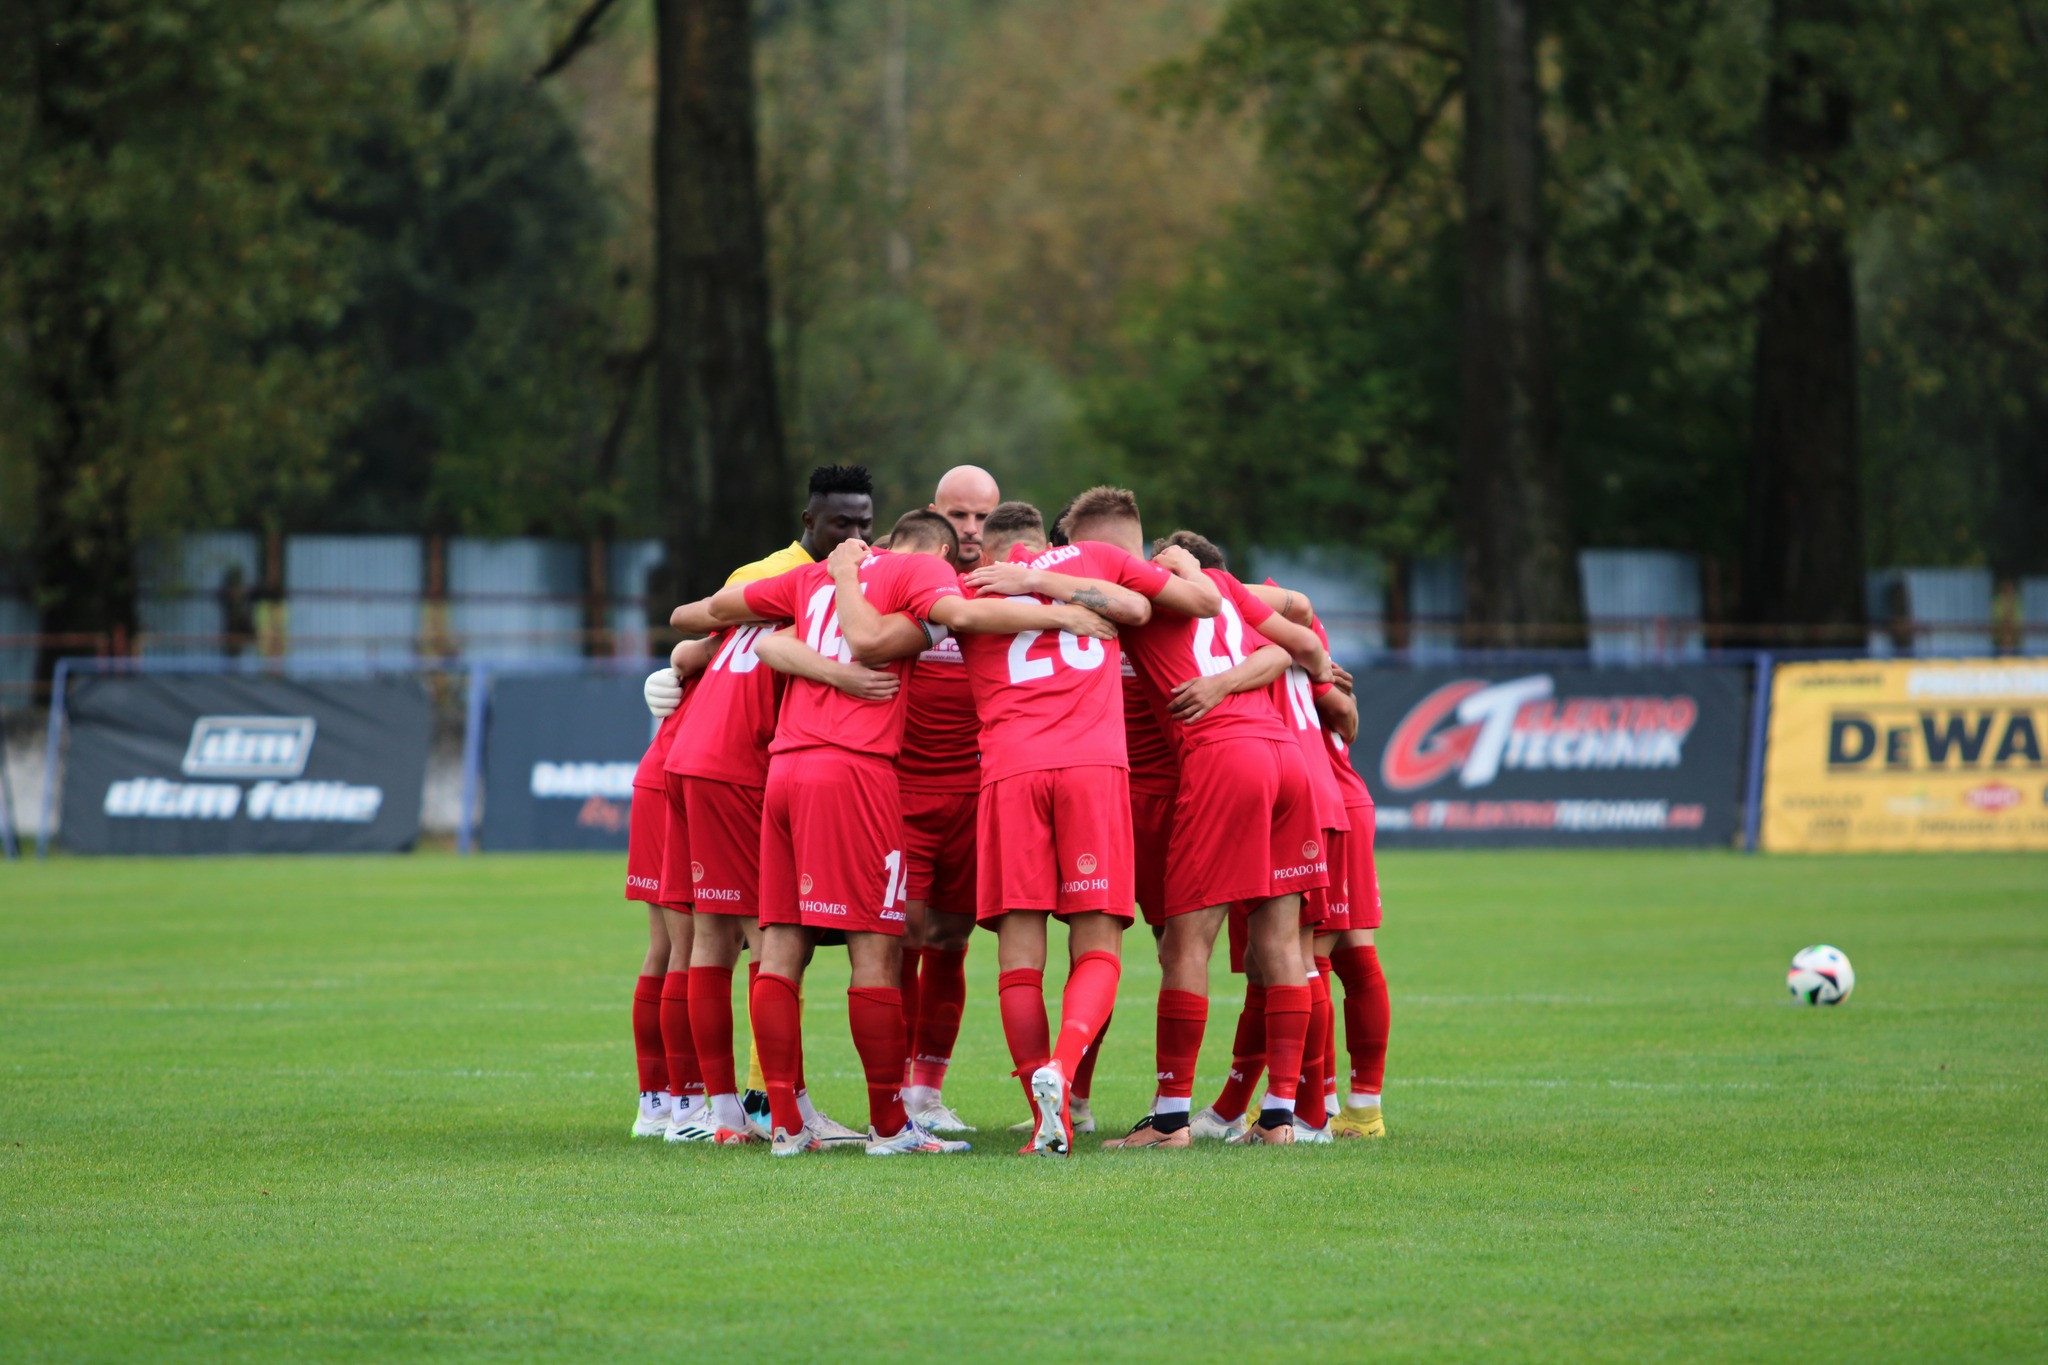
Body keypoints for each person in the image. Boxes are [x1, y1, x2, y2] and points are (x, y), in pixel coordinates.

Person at [690, 510, 1117, 1155]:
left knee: (778, 949)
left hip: (786, 769)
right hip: (854, 770)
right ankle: (890, 1128)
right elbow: (941, 620)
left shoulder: (816, 577)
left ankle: (784, 1125)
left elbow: (720, 617)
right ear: (939, 552)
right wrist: (1066, 616)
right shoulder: (919, 574)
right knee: (876, 952)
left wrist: (698, 643)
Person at [1054, 493, 1333, 1149]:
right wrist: (1239, 675)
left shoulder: (1135, 593)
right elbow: (1294, 644)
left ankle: (1170, 1119)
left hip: (1222, 757)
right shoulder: (1219, 583)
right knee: (1281, 944)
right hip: (1285, 757)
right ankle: (1279, 1117)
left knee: (1185, 944)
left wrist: (1023, 577)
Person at [954, 502, 1217, 1154]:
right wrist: (1061, 597)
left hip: (1011, 771)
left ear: (990, 548)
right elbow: (1154, 608)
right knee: (1097, 948)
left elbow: (918, 625)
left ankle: (1049, 1119)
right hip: (1093, 769)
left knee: (1019, 959)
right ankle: (1064, 1069)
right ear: (1048, 539)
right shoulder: (1093, 558)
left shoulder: (971, 584)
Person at [661, 464, 882, 1144]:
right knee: (776, 936)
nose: (854, 535)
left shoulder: (789, 578)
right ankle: (773, 1103)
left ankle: (723, 1110)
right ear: (809, 521)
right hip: (738, 763)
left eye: (864, 524)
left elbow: (694, 639)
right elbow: (696, 627)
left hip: (696, 756)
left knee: (714, 935)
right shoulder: (801, 579)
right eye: (841, 523)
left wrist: (680, 655)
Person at [893, 468, 1004, 1131]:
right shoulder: (896, 575)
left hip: (975, 792)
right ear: (934, 513)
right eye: (959, 515)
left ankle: (927, 1092)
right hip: (901, 789)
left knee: (951, 939)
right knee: (901, 934)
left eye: (982, 517)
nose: (970, 529)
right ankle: (894, 1090)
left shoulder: (1009, 584)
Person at [626, 639, 709, 1138]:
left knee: (666, 946)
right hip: (680, 781)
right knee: (690, 944)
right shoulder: (761, 630)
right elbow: (691, 637)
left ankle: (655, 1103)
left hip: (663, 773)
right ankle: (686, 1105)